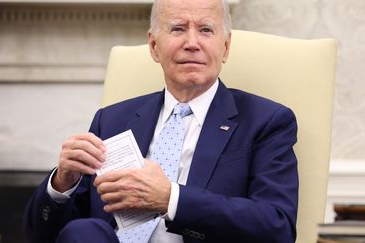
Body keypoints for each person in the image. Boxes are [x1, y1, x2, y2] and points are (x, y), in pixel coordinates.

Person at [24, 0, 298, 242]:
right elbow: (45, 236)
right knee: (84, 232)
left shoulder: (266, 122)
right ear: (154, 46)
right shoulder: (111, 120)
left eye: (206, 30)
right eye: (178, 28)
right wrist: (62, 184)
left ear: (225, 47)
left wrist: (171, 199)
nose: (192, 42)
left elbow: (277, 227)